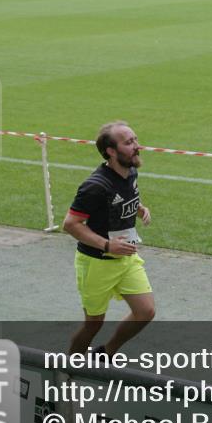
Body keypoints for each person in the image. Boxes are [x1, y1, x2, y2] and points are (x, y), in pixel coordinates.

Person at [64, 121, 154, 356]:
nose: (137, 146)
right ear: (111, 152)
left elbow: (121, 199)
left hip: (126, 258)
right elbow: (71, 224)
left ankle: (106, 354)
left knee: (145, 312)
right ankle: (68, 368)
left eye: (135, 139)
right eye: (129, 142)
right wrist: (106, 245)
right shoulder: (95, 186)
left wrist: (139, 208)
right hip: (96, 263)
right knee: (93, 324)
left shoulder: (130, 172)